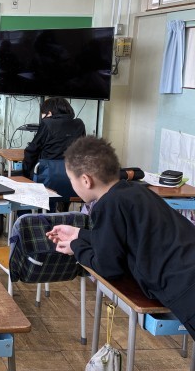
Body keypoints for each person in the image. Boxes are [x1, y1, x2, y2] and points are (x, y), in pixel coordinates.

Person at [46, 136, 195, 339]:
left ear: (86, 180)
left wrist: (76, 246)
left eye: (71, 179)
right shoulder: (135, 191)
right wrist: (79, 233)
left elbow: (108, 267)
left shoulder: (107, 205)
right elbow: (117, 241)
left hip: (186, 290)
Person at [22, 97, 85, 180]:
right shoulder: (79, 124)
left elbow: (32, 150)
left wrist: (26, 174)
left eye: (42, 113)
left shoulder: (47, 123)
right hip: (73, 175)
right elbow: (83, 150)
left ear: (49, 113)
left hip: (48, 175)